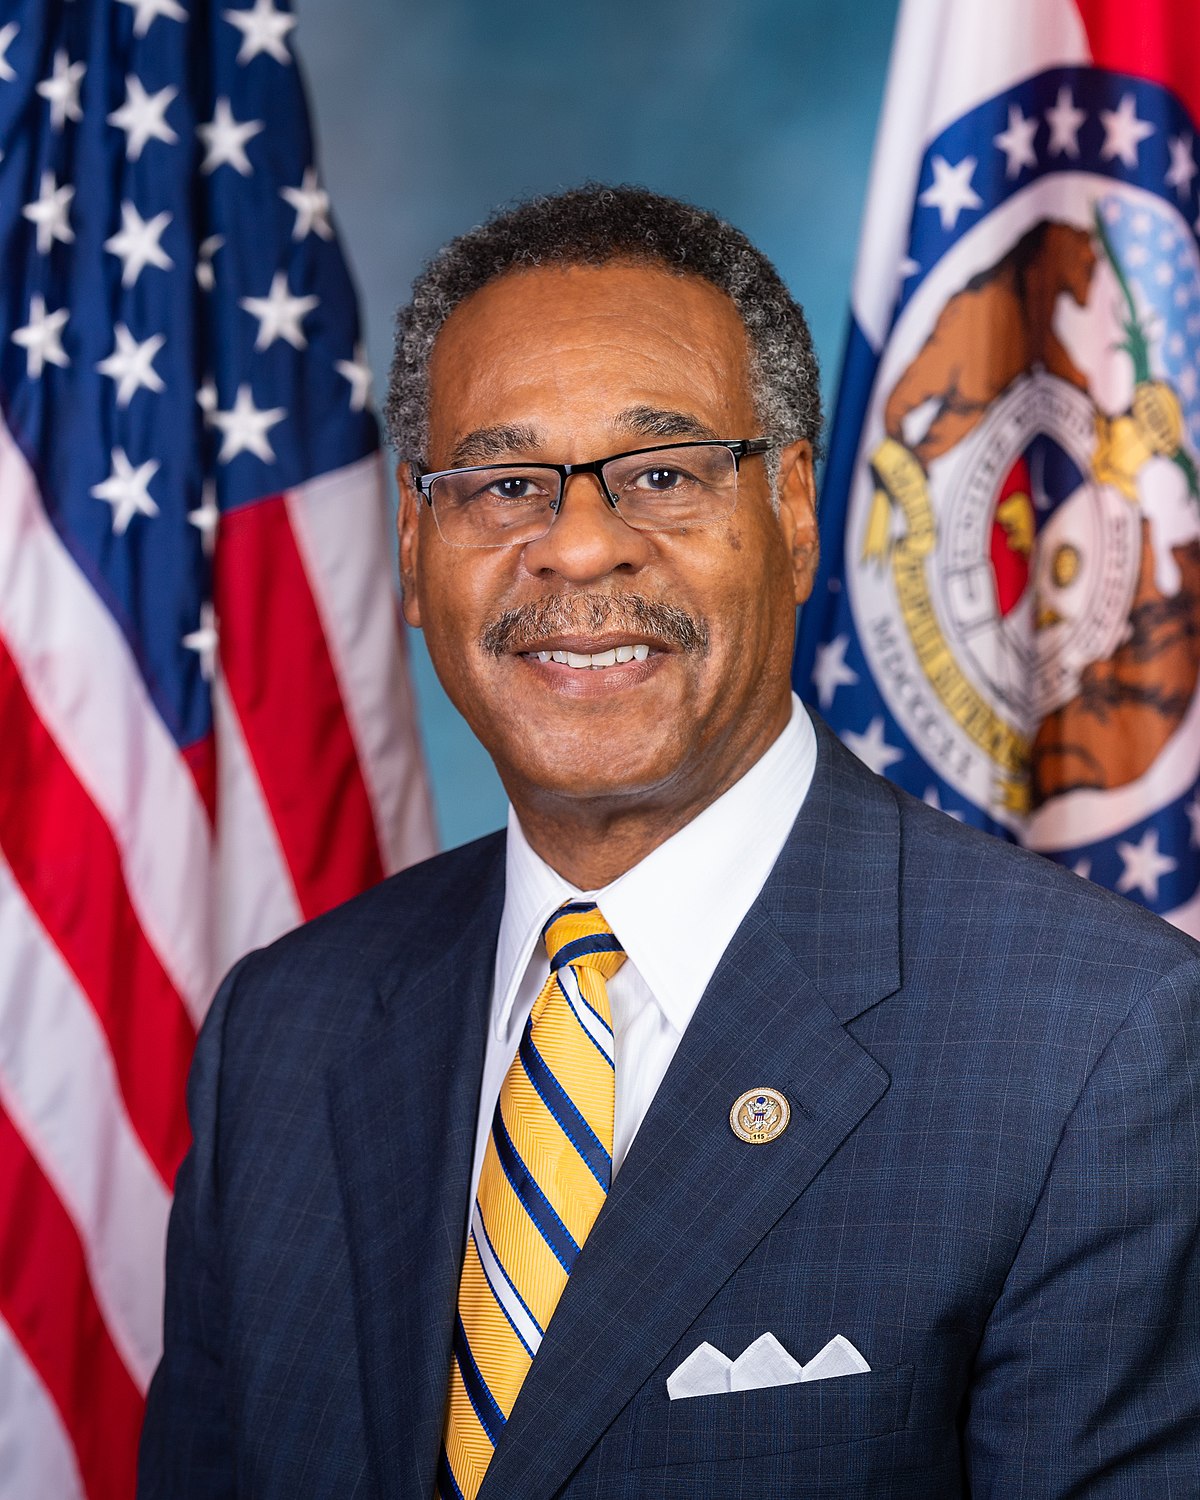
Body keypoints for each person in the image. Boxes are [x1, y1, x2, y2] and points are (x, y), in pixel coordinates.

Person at [138, 185, 1200, 1499]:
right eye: (503, 482)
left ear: (797, 512)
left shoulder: (1097, 1041)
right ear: (413, 549)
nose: (579, 548)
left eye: (662, 474)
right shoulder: (283, 1028)